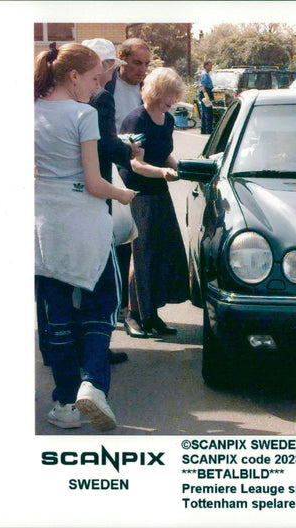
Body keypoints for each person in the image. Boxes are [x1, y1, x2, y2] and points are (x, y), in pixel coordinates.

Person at [34, 42, 137, 431]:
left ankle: (64, 402)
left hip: (44, 228)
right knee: (103, 304)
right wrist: (123, 193)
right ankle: (93, 384)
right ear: (73, 76)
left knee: (56, 314)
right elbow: (95, 183)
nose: (99, 87)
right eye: (95, 78)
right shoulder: (82, 114)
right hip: (85, 225)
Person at [83, 38, 145, 364]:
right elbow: (104, 146)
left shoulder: (59, 98)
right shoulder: (102, 97)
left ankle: (66, 346)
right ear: (107, 66)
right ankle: (97, 350)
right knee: (105, 276)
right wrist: (128, 150)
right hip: (99, 191)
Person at [118, 68, 190, 337]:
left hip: (159, 191)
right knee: (142, 255)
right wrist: (162, 172)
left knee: (161, 252)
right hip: (138, 193)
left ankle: (151, 314)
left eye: (174, 95)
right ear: (157, 91)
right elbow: (135, 163)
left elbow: (166, 155)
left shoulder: (167, 120)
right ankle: (133, 316)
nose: (172, 100)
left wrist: (181, 168)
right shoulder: (136, 120)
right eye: (169, 94)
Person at [102, 37, 151, 324]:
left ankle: (136, 306)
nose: (142, 69)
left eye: (146, 64)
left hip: (139, 170)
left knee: (139, 240)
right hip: (110, 171)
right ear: (122, 61)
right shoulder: (107, 88)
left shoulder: (148, 88)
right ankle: (118, 306)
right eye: (136, 63)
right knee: (119, 239)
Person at [198, 60, 214, 134]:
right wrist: (206, 96)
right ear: (206, 66)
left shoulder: (206, 74)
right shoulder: (204, 74)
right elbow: (203, 86)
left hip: (207, 92)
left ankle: (204, 129)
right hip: (205, 93)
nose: (211, 67)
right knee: (207, 112)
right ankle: (208, 129)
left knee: (206, 111)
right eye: (210, 66)